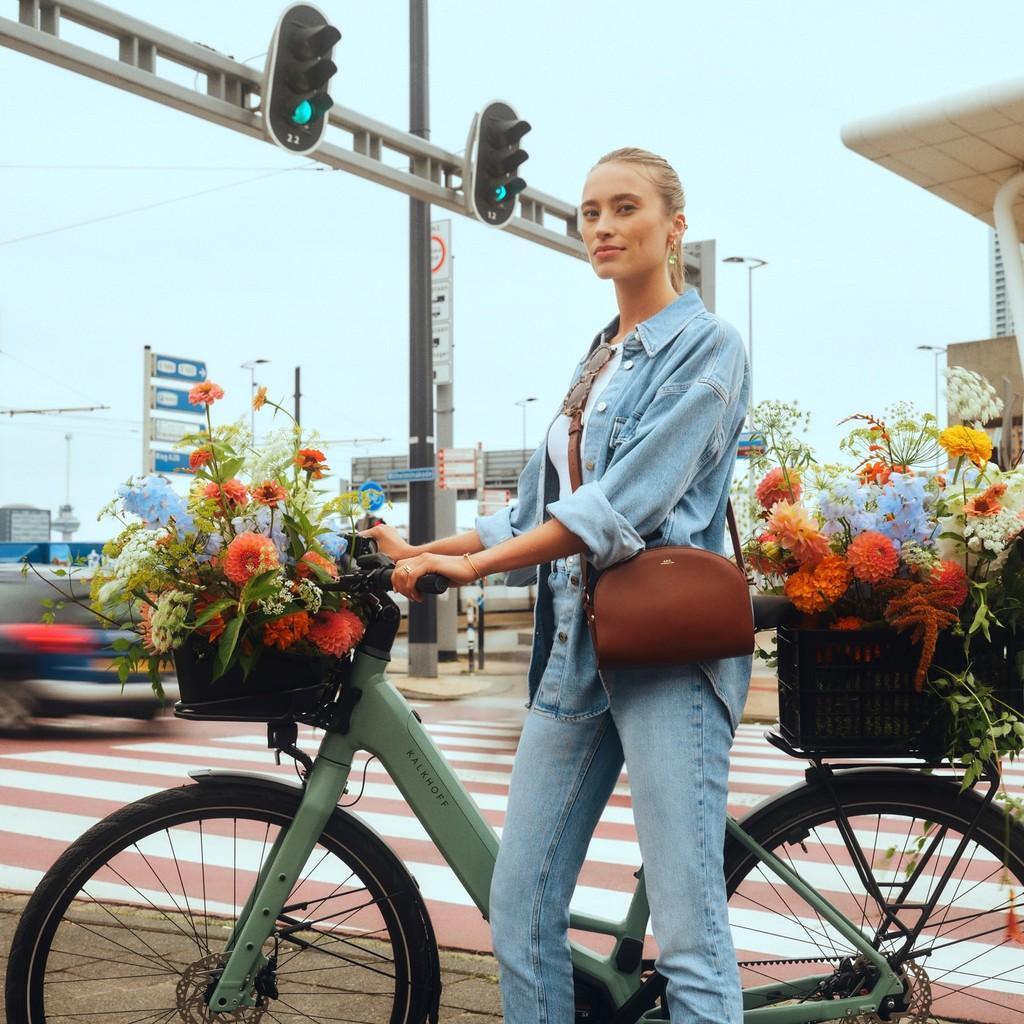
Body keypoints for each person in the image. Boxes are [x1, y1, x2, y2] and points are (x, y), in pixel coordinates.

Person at [361, 147, 751, 1023]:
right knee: (518, 905)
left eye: (624, 209)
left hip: (667, 663)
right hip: (574, 656)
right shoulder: (600, 355)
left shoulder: (708, 346)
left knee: (688, 934)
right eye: (589, 213)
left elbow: (616, 510)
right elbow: (532, 514)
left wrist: (467, 571)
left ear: (674, 226)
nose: (604, 228)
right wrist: (422, 548)